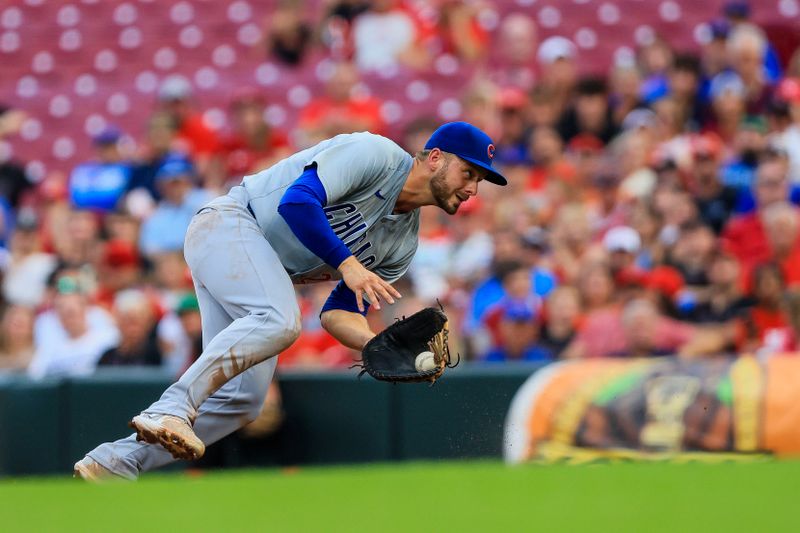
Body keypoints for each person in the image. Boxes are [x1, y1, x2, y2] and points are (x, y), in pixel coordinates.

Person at [74, 121, 507, 480]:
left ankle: (115, 462)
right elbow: (297, 201)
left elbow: (340, 310)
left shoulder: (402, 244)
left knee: (245, 401)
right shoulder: (375, 154)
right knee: (279, 320)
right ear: (434, 157)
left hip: (257, 267)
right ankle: (171, 408)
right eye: (468, 173)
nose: (472, 189)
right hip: (232, 224)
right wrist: (349, 264)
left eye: (480, 180)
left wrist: (375, 343)